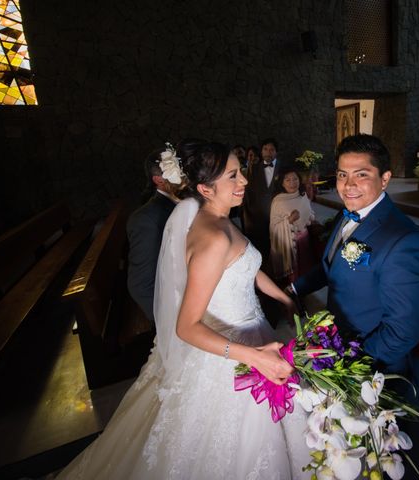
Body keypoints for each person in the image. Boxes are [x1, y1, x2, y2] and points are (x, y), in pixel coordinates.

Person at [57, 142, 310, 479]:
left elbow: (246, 266)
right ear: (205, 188)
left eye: (241, 172)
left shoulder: (219, 219)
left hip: (253, 331)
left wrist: (285, 297)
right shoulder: (212, 237)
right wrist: (255, 358)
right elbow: (187, 327)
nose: (244, 181)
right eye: (233, 176)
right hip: (234, 352)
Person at [292, 134, 419, 375]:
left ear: (385, 179)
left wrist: (350, 365)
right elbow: (330, 267)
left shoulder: (405, 241)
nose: (348, 185)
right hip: (337, 344)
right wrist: (294, 290)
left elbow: (402, 332)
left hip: (373, 368)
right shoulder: (344, 214)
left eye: (362, 174)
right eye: (342, 175)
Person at [126, 146, 180, 322]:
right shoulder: (146, 220)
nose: (185, 173)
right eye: (178, 169)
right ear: (159, 180)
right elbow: (141, 284)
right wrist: (166, 325)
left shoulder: (188, 202)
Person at [269, 167, 316, 283]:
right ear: (282, 183)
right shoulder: (278, 201)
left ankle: (305, 290)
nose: (292, 183)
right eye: (288, 180)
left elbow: (310, 215)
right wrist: (289, 220)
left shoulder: (303, 196)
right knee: (293, 275)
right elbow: (274, 228)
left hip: (304, 240)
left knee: (306, 269)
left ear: (299, 181)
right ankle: (293, 293)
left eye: (295, 179)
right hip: (289, 244)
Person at [242, 138, 282, 264]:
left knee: (280, 249)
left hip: (279, 217)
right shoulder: (253, 169)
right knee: (261, 251)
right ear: (261, 151)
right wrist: (249, 218)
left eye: (271, 150)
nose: (268, 152)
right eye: (265, 149)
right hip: (258, 218)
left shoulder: (283, 168)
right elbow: (248, 195)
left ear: (276, 152)